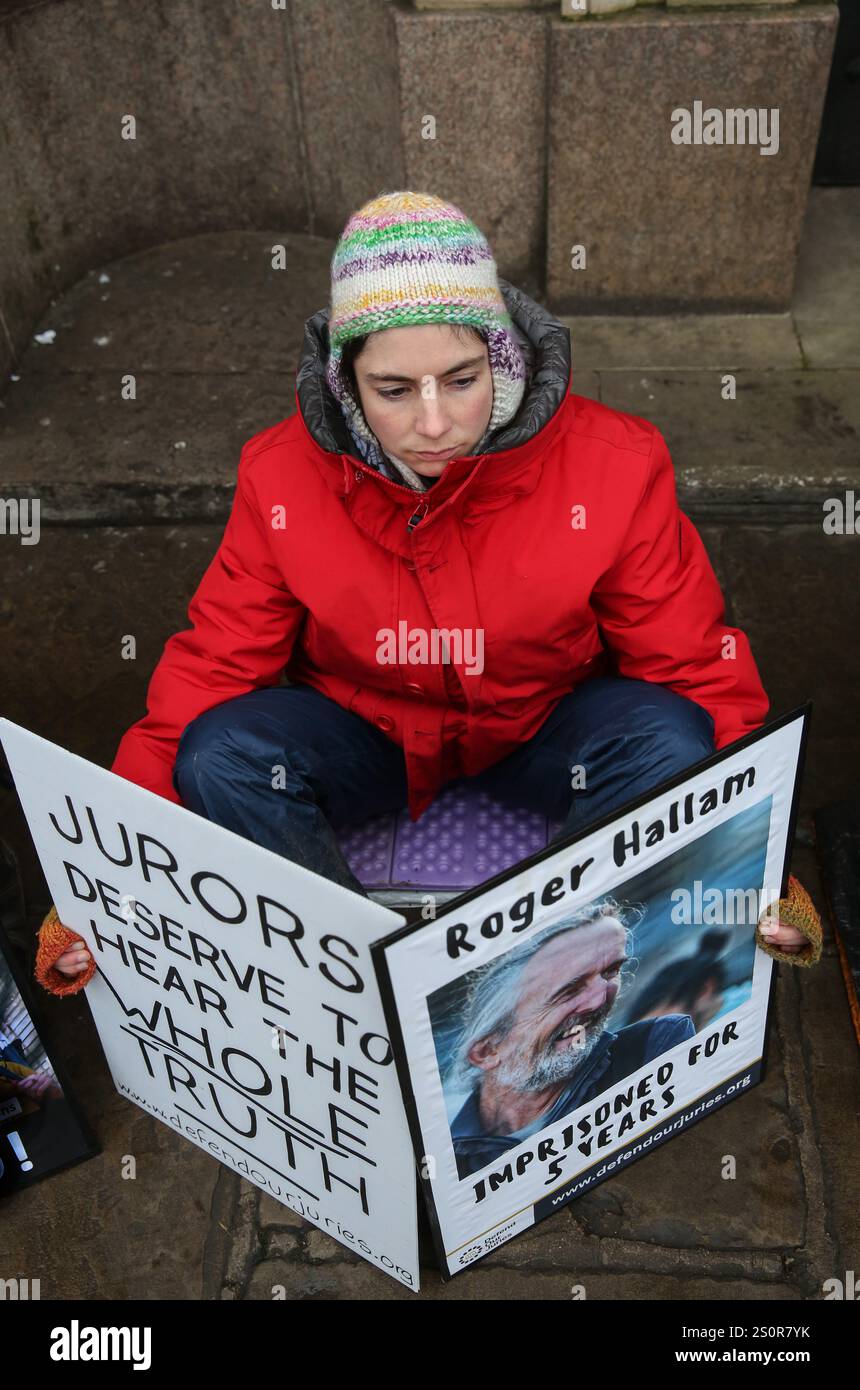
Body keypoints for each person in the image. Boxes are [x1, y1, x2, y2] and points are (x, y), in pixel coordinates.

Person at [33, 189, 821, 997]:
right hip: (366, 734)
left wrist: (757, 870)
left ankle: (546, 984)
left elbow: (695, 668)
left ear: (502, 358)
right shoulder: (280, 474)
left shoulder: (613, 463)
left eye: (462, 378)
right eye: (395, 390)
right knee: (220, 754)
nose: (435, 423)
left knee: (671, 739)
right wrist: (101, 886)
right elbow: (209, 672)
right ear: (348, 385)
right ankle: (344, 990)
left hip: (541, 725)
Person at [446, 902, 698, 1179]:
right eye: (568, 991)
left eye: (611, 972)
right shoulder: (450, 1159)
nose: (601, 1000)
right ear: (488, 1051)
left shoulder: (654, 1049)